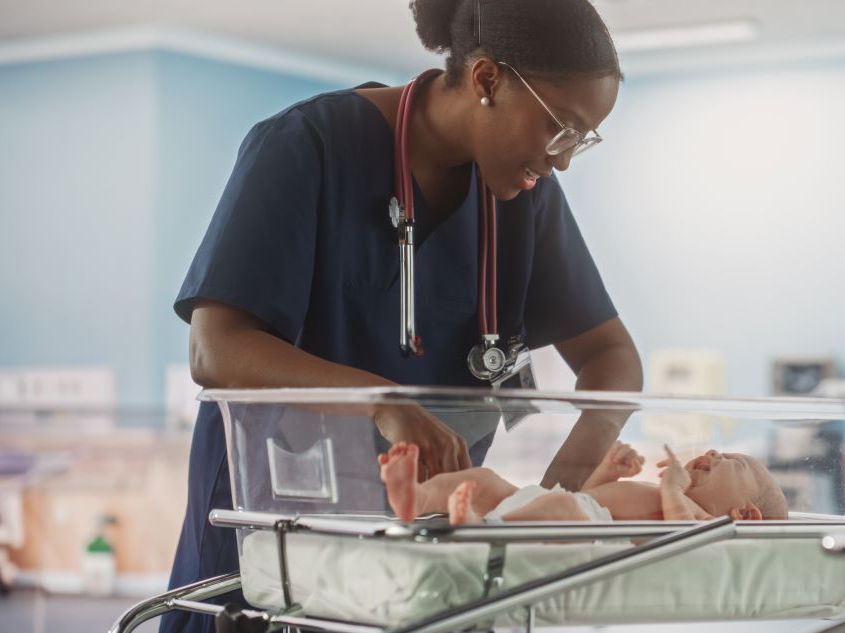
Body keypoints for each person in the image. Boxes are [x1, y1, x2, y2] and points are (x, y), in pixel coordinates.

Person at [161, 1, 642, 631]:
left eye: (582, 138)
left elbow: (613, 358)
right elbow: (216, 350)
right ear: (488, 80)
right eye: (560, 128)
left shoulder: (524, 198)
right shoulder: (307, 146)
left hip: (421, 560)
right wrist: (382, 401)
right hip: (276, 543)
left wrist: (561, 497)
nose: (563, 159)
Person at [379, 441, 790, 523]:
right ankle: (417, 496)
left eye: (733, 462)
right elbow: (589, 497)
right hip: (564, 504)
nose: (716, 453)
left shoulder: (705, 525)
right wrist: (607, 470)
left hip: (572, 523)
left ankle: (479, 529)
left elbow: (678, 529)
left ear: (745, 514)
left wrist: (672, 487)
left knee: (559, 510)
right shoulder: (668, 495)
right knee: (484, 479)